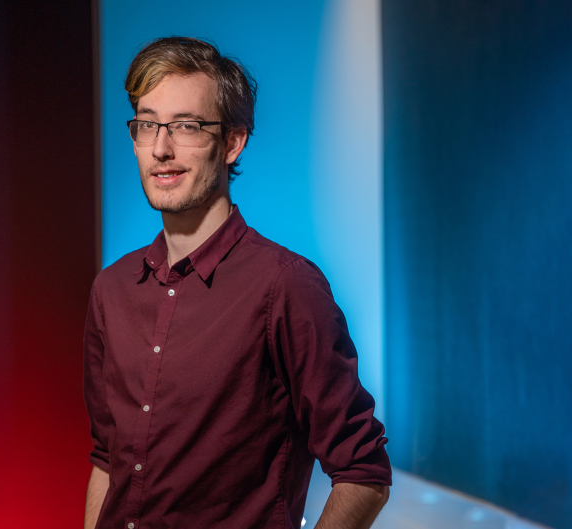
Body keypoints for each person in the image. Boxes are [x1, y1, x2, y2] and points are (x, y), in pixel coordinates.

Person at [83, 36, 391, 529]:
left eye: (185, 126)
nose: (161, 148)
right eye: (147, 124)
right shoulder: (112, 291)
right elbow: (107, 460)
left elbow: (362, 471)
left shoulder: (286, 288)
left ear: (232, 141)